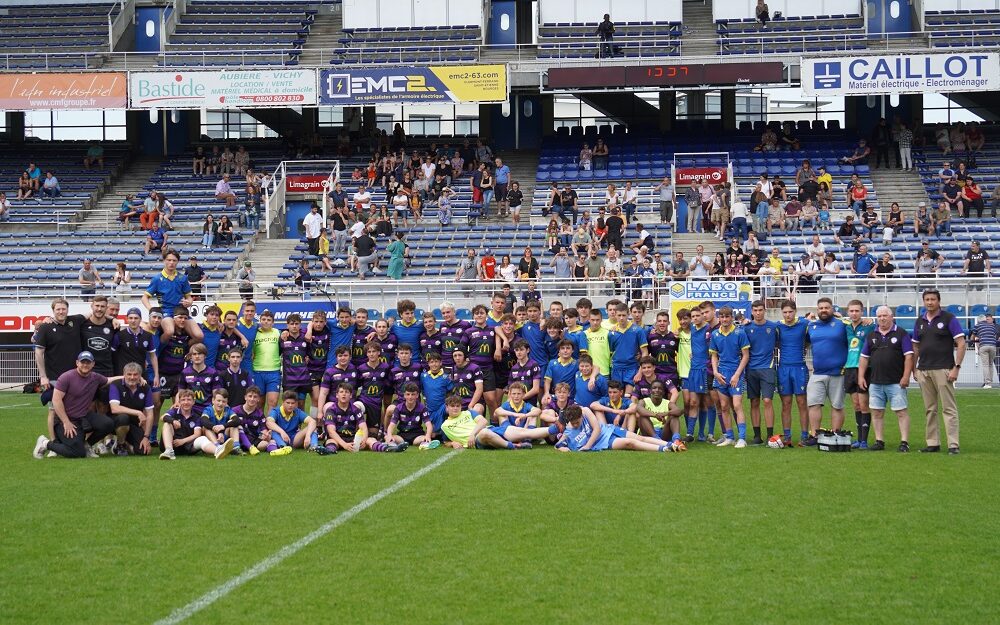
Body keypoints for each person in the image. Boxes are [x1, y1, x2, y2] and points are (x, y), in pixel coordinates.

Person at [33, 351, 118, 459]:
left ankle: (87, 446)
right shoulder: (66, 377)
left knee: (108, 424)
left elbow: (109, 380)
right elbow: (56, 400)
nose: (85, 365)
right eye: (83, 362)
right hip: (64, 420)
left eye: (88, 362)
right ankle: (45, 443)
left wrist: (126, 377)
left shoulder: (95, 377)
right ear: (77, 363)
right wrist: (66, 422)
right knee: (77, 452)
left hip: (83, 417)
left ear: (93, 364)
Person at [912, 289, 966, 454]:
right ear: (923, 301)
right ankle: (933, 443)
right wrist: (914, 369)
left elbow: (961, 343)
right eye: (927, 299)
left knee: (948, 408)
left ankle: (953, 445)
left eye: (933, 299)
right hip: (924, 370)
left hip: (944, 369)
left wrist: (956, 367)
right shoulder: (919, 321)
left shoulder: (949, 318)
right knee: (930, 409)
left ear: (939, 301)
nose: (929, 302)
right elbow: (915, 346)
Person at [858, 306, 914, 453]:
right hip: (875, 382)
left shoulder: (901, 333)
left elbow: (909, 356)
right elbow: (864, 358)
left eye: (885, 315)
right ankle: (879, 441)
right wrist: (861, 376)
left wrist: (906, 376)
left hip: (896, 381)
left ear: (891, 317)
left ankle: (904, 442)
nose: (882, 318)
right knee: (877, 413)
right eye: (879, 316)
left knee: (901, 412)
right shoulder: (872, 335)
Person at [709, 306, 750, 448]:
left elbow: (746, 355)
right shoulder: (715, 334)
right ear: (719, 318)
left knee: (737, 405)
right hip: (721, 374)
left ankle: (742, 438)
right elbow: (714, 356)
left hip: (735, 373)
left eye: (727, 316)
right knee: (724, 406)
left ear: (732, 318)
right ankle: (730, 437)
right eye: (722, 317)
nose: (725, 319)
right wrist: (715, 372)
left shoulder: (740, 333)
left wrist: (737, 375)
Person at [971, 312, 999, 389]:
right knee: (990, 364)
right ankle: (990, 382)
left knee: (985, 365)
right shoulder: (993, 326)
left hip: (983, 346)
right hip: (993, 346)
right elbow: (995, 336)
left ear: (979, 320)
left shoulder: (977, 325)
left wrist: (973, 341)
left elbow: (972, 337)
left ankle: (987, 383)